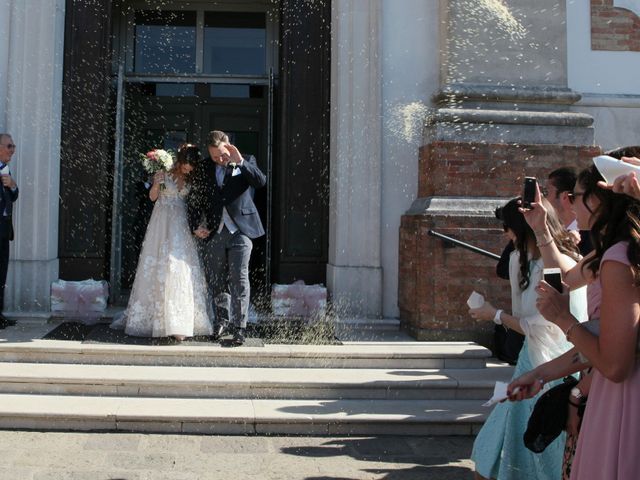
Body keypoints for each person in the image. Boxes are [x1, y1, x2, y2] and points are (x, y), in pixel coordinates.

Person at [508, 161, 640, 480]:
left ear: (597, 199)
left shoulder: (619, 258)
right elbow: (560, 282)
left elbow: (614, 363)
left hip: (623, 396)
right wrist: (541, 228)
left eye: (575, 195)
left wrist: (565, 321)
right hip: (608, 390)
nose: (567, 203)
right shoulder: (609, 253)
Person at [469, 197, 587, 480]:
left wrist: (494, 315)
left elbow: (546, 326)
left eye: (508, 228)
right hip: (531, 364)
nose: (505, 234)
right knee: (493, 448)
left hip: (558, 368)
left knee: (542, 450)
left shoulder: (564, 265)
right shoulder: (520, 261)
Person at [112, 144, 212, 341]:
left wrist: (198, 224)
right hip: (162, 223)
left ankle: (180, 321)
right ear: (180, 160)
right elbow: (153, 197)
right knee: (162, 265)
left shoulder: (193, 178)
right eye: (186, 165)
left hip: (181, 225)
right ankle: (160, 320)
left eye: (191, 166)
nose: (188, 169)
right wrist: (157, 183)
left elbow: (194, 204)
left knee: (180, 268)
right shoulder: (164, 174)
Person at [187, 130, 266, 346]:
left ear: (228, 145)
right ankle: (221, 321)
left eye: (222, 155)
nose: (220, 160)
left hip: (241, 231)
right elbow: (195, 198)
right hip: (215, 230)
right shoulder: (204, 167)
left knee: (239, 278)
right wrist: (195, 225)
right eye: (215, 157)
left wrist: (239, 161)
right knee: (217, 279)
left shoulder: (246, 160)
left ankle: (240, 327)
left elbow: (260, 181)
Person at [545, 167, 592, 255]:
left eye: (546, 192)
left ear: (565, 196)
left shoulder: (592, 236)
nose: (543, 198)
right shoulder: (549, 232)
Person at [0, 134, 18, 330]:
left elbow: (12, 196)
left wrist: (12, 185)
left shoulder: (6, 169)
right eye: (9, 146)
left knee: (1, 274)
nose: (12, 150)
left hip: (4, 230)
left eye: (13, 146)